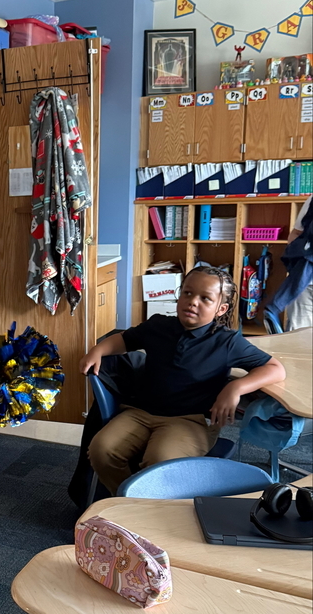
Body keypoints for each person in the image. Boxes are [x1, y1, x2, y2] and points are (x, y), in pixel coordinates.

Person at [79, 266, 286, 495]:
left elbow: (275, 369)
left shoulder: (226, 342)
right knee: (101, 450)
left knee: (160, 462)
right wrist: (98, 350)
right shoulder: (158, 325)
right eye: (187, 293)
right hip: (140, 413)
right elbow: (124, 340)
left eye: (205, 298)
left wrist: (235, 387)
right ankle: (131, 501)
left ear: (221, 309)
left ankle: (145, 503)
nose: (193, 302)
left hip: (190, 420)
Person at [265, 194, 312, 331]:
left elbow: (295, 235)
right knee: (299, 336)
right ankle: (273, 308)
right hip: (305, 282)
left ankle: (274, 308)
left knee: (298, 336)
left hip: (304, 279)